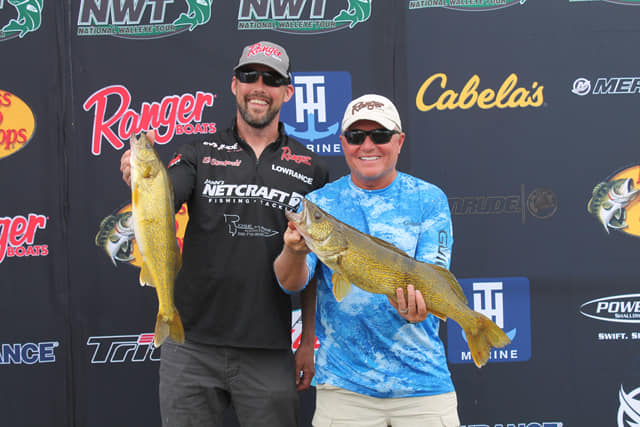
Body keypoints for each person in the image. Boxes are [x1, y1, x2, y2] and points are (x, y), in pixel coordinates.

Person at [120, 41, 329, 427]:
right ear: (234, 84)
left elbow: (316, 267)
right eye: (250, 76)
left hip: (268, 349)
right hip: (191, 345)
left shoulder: (311, 168)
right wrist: (142, 177)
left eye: (272, 79)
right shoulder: (199, 150)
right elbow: (165, 197)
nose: (259, 87)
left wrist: (307, 341)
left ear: (288, 91)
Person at [274, 94, 461, 427]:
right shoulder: (321, 202)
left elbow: (433, 276)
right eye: (357, 136)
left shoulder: (429, 199)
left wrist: (419, 306)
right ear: (343, 142)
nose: (368, 145)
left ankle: (474, 324)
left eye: (380, 135)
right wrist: (294, 250)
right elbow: (292, 282)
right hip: (344, 389)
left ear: (399, 141)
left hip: (423, 385)